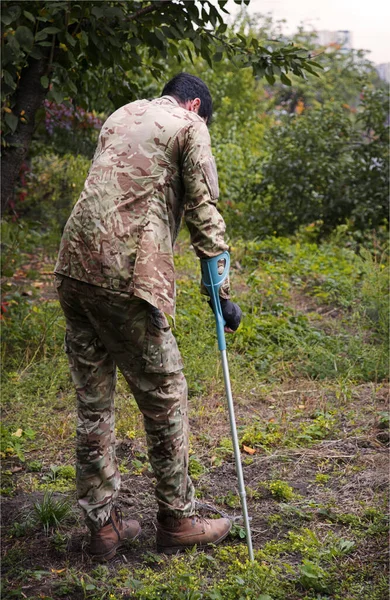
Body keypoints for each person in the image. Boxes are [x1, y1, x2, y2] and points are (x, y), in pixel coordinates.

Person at [54, 73, 242, 562]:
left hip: (73, 265)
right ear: (196, 104)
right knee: (165, 393)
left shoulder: (122, 114)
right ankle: (178, 519)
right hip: (125, 275)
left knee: (94, 402)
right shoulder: (189, 125)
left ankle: (104, 527)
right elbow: (204, 210)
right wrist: (221, 293)